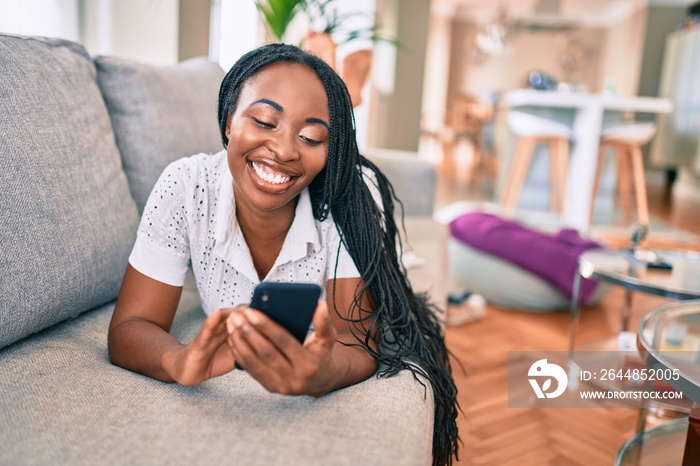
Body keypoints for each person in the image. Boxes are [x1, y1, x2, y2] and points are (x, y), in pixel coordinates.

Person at [108, 43, 459, 465]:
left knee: (397, 269)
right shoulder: (186, 186)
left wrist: (323, 374)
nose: (286, 150)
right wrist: (178, 361)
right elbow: (131, 326)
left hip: (362, 248)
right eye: (264, 121)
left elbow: (356, 340)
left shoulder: (347, 199)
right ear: (228, 123)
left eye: (311, 137)